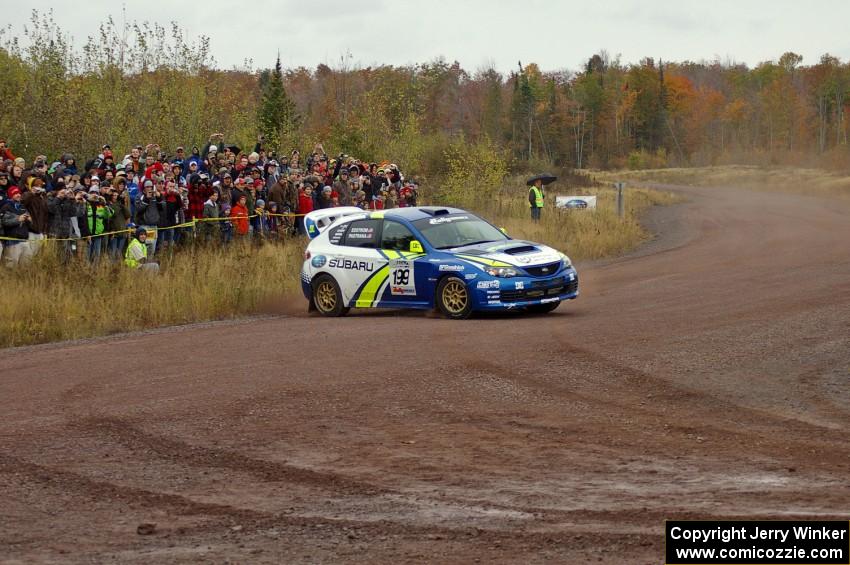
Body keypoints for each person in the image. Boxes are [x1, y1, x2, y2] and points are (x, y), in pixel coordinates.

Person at [0, 186, 32, 266]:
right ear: (11, 195)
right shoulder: (6, 207)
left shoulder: (23, 207)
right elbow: (4, 222)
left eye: (19, 193)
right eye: (15, 193)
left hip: (25, 240)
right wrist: (18, 220)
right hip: (12, 241)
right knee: (11, 266)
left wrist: (29, 220)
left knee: (26, 265)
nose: (18, 195)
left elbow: (30, 223)